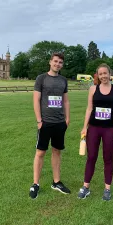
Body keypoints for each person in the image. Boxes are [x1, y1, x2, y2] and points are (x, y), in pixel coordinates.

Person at [78, 63, 113, 201]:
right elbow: (89, 108)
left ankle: (107, 189)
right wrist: (85, 127)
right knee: (91, 157)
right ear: (98, 75)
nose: (103, 76)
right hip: (94, 128)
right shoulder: (92, 89)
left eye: (105, 73)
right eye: (101, 74)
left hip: (110, 128)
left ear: (110, 74)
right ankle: (85, 187)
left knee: (108, 158)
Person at [29, 52, 71, 199]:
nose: (57, 64)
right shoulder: (42, 78)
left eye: (60, 62)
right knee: (40, 152)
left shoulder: (63, 80)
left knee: (57, 152)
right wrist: (39, 120)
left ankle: (56, 181)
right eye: (55, 61)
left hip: (60, 122)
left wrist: (67, 118)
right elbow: (36, 100)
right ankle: (35, 184)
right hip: (45, 122)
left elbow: (65, 101)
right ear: (50, 62)